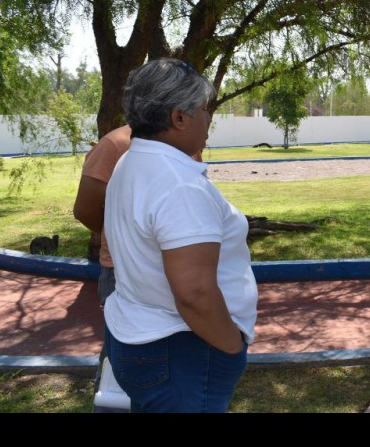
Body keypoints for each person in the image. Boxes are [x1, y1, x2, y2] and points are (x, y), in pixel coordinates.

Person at [103, 58, 258, 413]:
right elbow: (195, 294)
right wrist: (231, 348)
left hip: (141, 336)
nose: (208, 118)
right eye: (203, 109)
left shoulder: (132, 162)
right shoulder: (179, 185)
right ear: (179, 118)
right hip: (182, 349)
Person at [74, 124, 132, 307]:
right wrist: (116, 232)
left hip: (177, 265)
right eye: (202, 110)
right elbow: (85, 211)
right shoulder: (114, 144)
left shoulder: (187, 143)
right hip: (121, 270)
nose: (206, 117)